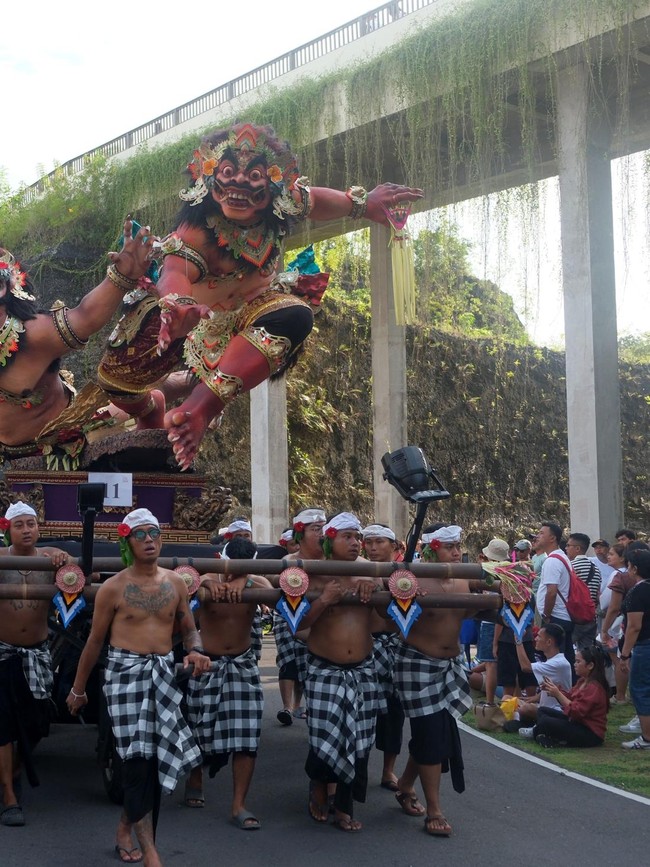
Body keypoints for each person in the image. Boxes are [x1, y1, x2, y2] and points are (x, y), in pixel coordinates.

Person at [96, 122, 423, 470]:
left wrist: (365, 204)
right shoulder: (194, 230)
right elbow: (176, 271)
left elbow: (323, 201)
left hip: (250, 316)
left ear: (274, 186)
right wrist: (177, 306)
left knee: (296, 314)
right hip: (185, 321)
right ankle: (152, 409)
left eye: (253, 177)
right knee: (116, 381)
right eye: (226, 173)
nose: (238, 185)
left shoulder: (289, 201)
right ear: (207, 181)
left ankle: (199, 408)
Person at [66, 508, 210, 867]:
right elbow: (94, 643)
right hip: (124, 678)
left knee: (157, 760)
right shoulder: (114, 588)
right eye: (141, 534)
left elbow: (189, 628)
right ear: (127, 542)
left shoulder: (176, 583)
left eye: (155, 533)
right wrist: (78, 689)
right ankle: (151, 852)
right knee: (135, 762)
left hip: (162, 674)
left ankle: (125, 829)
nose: (149, 540)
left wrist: (195, 651)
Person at [0, 221, 156, 466]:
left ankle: (167, 394)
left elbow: (85, 317)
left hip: (69, 444)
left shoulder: (33, 334)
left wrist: (123, 276)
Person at [392, 524, 474, 838]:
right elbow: (391, 616)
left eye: (458, 545)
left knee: (436, 732)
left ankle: (405, 785)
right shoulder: (411, 578)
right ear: (431, 549)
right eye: (449, 546)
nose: (456, 552)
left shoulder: (467, 576)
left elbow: (464, 616)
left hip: (451, 664)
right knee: (429, 732)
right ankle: (435, 810)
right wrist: (409, 599)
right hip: (417, 663)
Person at [184, 537, 272, 827]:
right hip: (207, 663)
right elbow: (185, 590)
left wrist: (245, 581)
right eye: (232, 569)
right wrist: (208, 586)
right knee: (199, 728)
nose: (234, 575)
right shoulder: (207, 577)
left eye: (242, 569)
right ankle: (195, 777)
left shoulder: (255, 581)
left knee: (247, 737)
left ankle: (239, 805)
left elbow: (272, 595)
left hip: (243, 664)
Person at [300, 512, 379, 832]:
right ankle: (319, 787)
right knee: (324, 737)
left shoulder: (371, 573)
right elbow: (299, 625)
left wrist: (377, 586)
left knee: (359, 742)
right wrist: (324, 600)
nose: (355, 542)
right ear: (329, 539)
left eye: (357, 537)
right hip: (324, 670)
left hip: (362, 670)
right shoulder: (311, 574)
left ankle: (344, 806)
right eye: (347, 536)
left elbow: (389, 621)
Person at [0, 503, 70, 827]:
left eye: (31, 524)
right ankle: (9, 796)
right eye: (19, 525)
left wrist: (66, 562)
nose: (26, 529)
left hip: (38, 654)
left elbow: (88, 577)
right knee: (2, 724)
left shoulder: (51, 558)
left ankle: (13, 771)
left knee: (38, 721)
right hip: (3, 653)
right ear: (8, 530)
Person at [362, 523, 405, 793]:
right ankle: (359, 766)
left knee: (395, 712)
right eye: (369, 542)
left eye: (379, 542)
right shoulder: (357, 569)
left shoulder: (406, 574)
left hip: (395, 647)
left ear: (393, 546)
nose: (373, 547)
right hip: (367, 646)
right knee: (364, 711)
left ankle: (389, 770)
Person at [275, 508, 326, 725]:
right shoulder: (290, 560)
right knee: (289, 664)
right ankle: (288, 706)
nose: (322, 533)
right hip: (294, 624)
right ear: (300, 533)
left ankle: (303, 707)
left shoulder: (335, 559)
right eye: (316, 529)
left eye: (324, 528)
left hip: (326, 635)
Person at [529, 646, 610, 748]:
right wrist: (553, 690)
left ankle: (539, 732)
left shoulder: (594, 688)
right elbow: (570, 697)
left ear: (590, 665)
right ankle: (542, 733)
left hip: (590, 732)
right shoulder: (582, 681)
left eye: (578, 662)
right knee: (542, 711)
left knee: (546, 721)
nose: (574, 665)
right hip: (577, 723)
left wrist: (557, 694)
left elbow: (576, 711)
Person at [509, 623, 573, 733]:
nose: (536, 638)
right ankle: (522, 721)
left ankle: (522, 721)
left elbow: (525, 667)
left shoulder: (559, 663)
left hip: (556, 711)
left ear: (549, 642)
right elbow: (550, 687)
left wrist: (518, 642)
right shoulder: (552, 661)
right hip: (543, 708)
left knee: (525, 708)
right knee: (507, 697)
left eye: (539, 636)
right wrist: (533, 698)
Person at [618, 549, 650, 749]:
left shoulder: (638, 591)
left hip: (644, 645)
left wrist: (625, 654)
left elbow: (634, 626)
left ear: (635, 568)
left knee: (640, 689)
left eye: (628, 565)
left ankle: (647, 737)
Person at [535, 522, 575, 669]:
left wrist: (546, 615)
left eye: (541, 533)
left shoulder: (552, 561)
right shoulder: (561, 557)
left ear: (552, 538)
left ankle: (563, 690)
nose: (537, 536)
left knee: (557, 662)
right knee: (566, 658)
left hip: (556, 618)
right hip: (562, 617)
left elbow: (551, 592)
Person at [565, 532, 601, 649]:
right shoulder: (596, 569)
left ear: (577, 548)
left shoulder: (570, 567)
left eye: (568, 545)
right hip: (590, 617)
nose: (565, 548)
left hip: (574, 617)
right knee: (587, 654)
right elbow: (597, 593)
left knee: (566, 650)